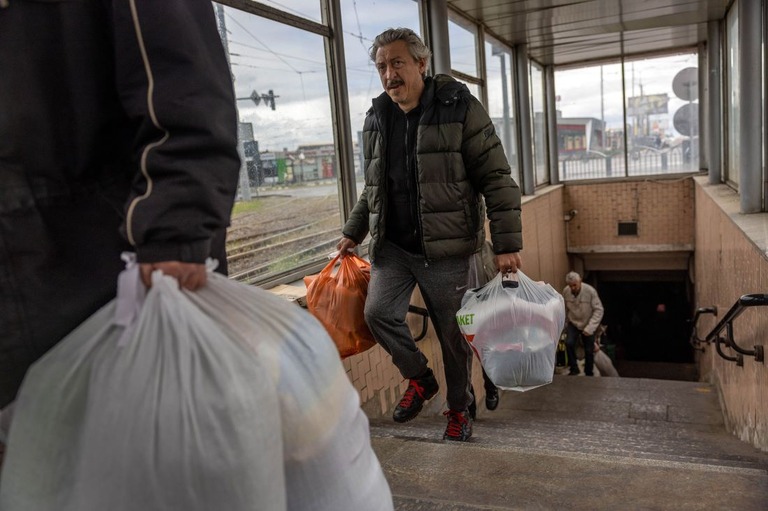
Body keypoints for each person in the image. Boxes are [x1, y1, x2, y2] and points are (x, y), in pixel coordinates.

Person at [0, 0, 240, 442]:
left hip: (103, 279)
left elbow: (184, 88)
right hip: (31, 284)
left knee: (147, 461)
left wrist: (175, 233)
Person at [337, 28, 522, 442]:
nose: (389, 74)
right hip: (394, 247)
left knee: (453, 336)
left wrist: (508, 245)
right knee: (377, 314)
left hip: (447, 251)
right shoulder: (376, 117)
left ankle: (458, 409)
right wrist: (353, 231)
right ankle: (420, 378)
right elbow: (373, 187)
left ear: (422, 63)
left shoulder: (459, 107)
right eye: (382, 66)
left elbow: (496, 177)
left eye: (397, 63)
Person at [562, 272, 605, 376]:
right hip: (574, 322)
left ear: (580, 281)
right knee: (569, 343)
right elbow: (564, 309)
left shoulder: (590, 291)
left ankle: (588, 372)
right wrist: (564, 325)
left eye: (574, 285)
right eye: (570, 285)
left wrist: (590, 327)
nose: (572, 288)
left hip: (587, 322)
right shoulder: (566, 291)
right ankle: (574, 368)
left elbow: (599, 310)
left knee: (589, 349)